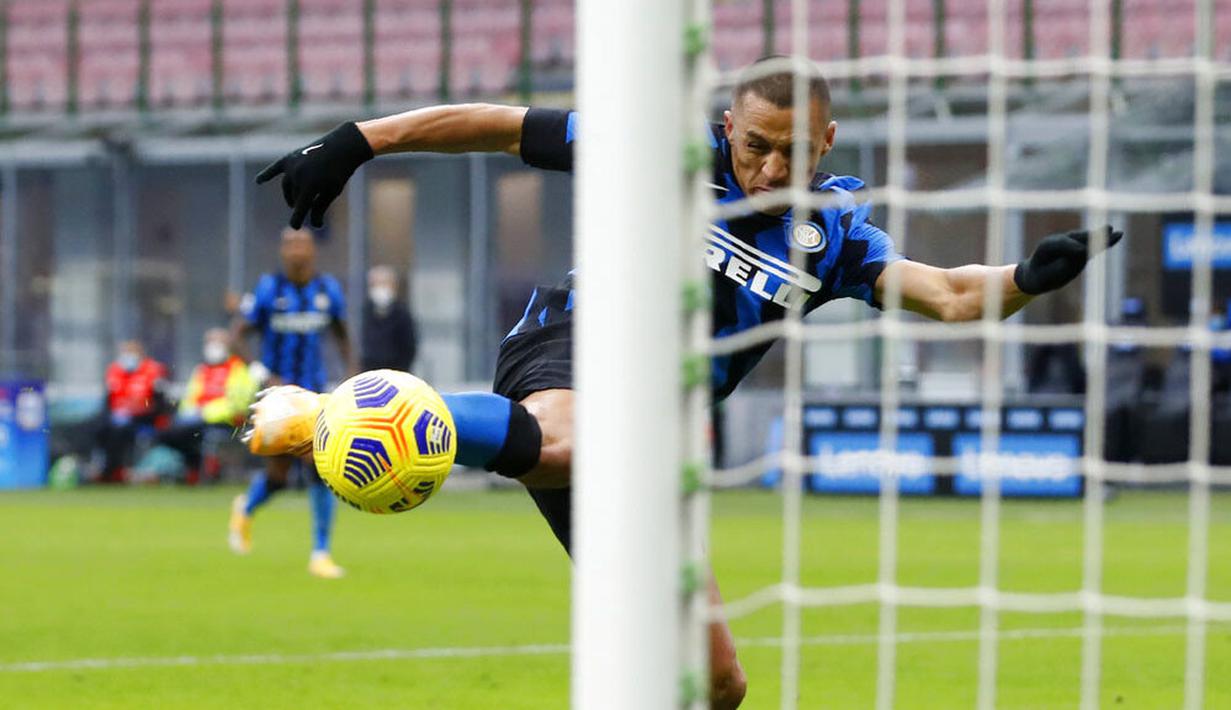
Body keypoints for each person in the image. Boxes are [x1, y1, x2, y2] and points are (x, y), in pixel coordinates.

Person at [248, 57, 1121, 707]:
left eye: (792, 153)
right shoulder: (656, 152)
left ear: (826, 144)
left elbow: (949, 294)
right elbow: (503, 125)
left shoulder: (838, 238)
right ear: (726, 127)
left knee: (715, 682)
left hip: (653, 437)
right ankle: (336, 411)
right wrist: (361, 140)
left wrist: (1024, 280)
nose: (769, 170)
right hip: (573, 344)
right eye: (753, 146)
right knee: (566, 441)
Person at [228, 227, 354, 579]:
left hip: (314, 395)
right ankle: (246, 507)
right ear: (282, 251)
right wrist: (262, 373)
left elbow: (343, 336)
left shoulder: (327, 289)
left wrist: (351, 377)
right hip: (277, 397)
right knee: (279, 477)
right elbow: (236, 336)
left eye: (302, 243)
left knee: (320, 468)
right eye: (289, 244)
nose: (296, 249)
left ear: (313, 250)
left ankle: (321, 552)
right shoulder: (269, 288)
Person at [156, 328, 256, 480]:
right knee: (166, 433)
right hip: (196, 420)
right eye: (209, 342)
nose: (212, 346)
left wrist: (205, 412)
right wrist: (190, 412)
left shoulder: (240, 369)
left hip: (225, 421)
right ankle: (196, 467)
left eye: (217, 342)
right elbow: (190, 398)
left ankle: (198, 469)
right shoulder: (202, 370)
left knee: (179, 432)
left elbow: (239, 406)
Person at [98, 340, 168, 482]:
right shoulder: (116, 371)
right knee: (101, 428)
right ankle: (104, 467)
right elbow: (108, 400)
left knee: (119, 431)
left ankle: (115, 469)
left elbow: (159, 404)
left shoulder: (153, 371)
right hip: (118, 417)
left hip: (144, 417)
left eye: (131, 353)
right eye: (125, 353)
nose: (128, 357)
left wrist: (136, 411)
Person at [360, 264, 418, 372]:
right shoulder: (367, 310)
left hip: (397, 370)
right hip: (371, 370)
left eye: (383, 283)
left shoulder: (402, 312)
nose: (379, 288)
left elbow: (409, 346)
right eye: (375, 284)